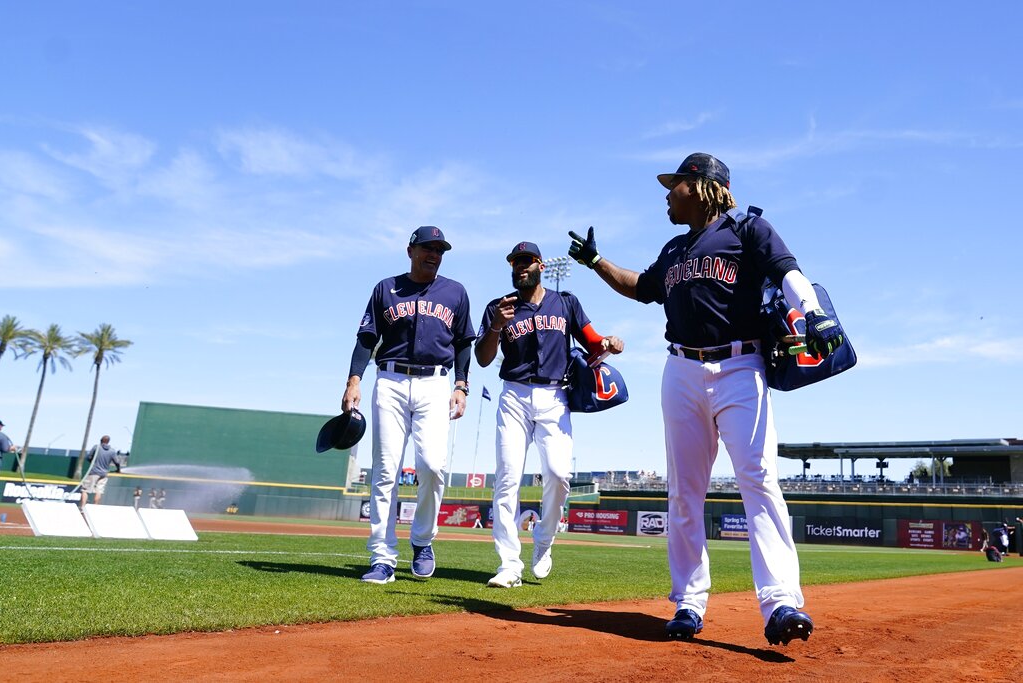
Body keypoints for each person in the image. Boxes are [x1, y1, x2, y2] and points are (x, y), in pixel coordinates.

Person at [569, 152, 845, 646]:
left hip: (742, 366)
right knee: (684, 489)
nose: (666, 194)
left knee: (758, 480)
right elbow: (642, 288)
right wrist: (596, 263)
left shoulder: (746, 229)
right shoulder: (674, 249)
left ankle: (781, 602)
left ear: (699, 185)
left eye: (673, 185)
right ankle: (689, 603)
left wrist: (814, 311)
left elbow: (787, 270)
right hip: (680, 369)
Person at [475, 241, 624, 588]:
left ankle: (544, 539)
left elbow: (593, 341)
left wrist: (610, 343)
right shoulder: (499, 308)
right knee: (508, 478)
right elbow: (483, 358)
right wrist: (496, 325)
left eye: (526, 262)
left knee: (558, 475)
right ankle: (509, 564)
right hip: (514, 394)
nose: (520, 268)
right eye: (515, 263)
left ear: (541, 265)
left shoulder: (565, 302)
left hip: (555, 396)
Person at [343, 226, 475, 584]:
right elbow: (367, 337)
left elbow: (464, 342)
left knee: (432, 466)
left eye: (440, 250)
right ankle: (382, 557)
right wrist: (354, 379)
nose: (434, 254)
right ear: (410, 250)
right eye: (428, 248)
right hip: (389, 380)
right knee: (385, 471)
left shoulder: (455, 292)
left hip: (435, 383)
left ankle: (422, 541)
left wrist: (462, 384)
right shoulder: (386, 288)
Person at [79, 435, 123, 509]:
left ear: (101, 440)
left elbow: (89, 457)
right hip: (104, 474)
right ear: (108, 442)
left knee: (85, 490)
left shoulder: (96, 447)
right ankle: (95, 508)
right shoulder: (112, 451)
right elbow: (117, 462)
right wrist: (118, 470)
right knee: (99, 491)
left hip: (94, 472)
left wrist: (92, 462)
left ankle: (83, 507)